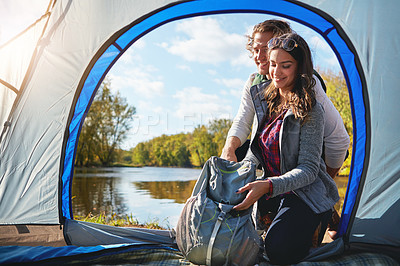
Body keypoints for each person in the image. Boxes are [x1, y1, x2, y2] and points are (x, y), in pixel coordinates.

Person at [231, 33, 340, 264]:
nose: (276, 72)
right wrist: (241, 173)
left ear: (300, 67)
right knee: (235, 237)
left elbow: (309, 170)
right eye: (272, 64)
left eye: (285, 65)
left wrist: (269, 185)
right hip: (271, 189)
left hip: (303, 192)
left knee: (278, 250)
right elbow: (256, 148)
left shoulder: (311, 110)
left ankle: (323, 213)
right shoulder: (263, 99)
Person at [221, 20, 350, 179]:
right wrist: (228, 150)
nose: (259, 56)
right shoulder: (254, 83)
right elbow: (243, 121)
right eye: (255, 49)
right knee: (238, 151)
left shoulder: (310, 84)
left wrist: (326, 184)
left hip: (308, 159)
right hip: (275, 157)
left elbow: (338, 139)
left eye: (265, 49)